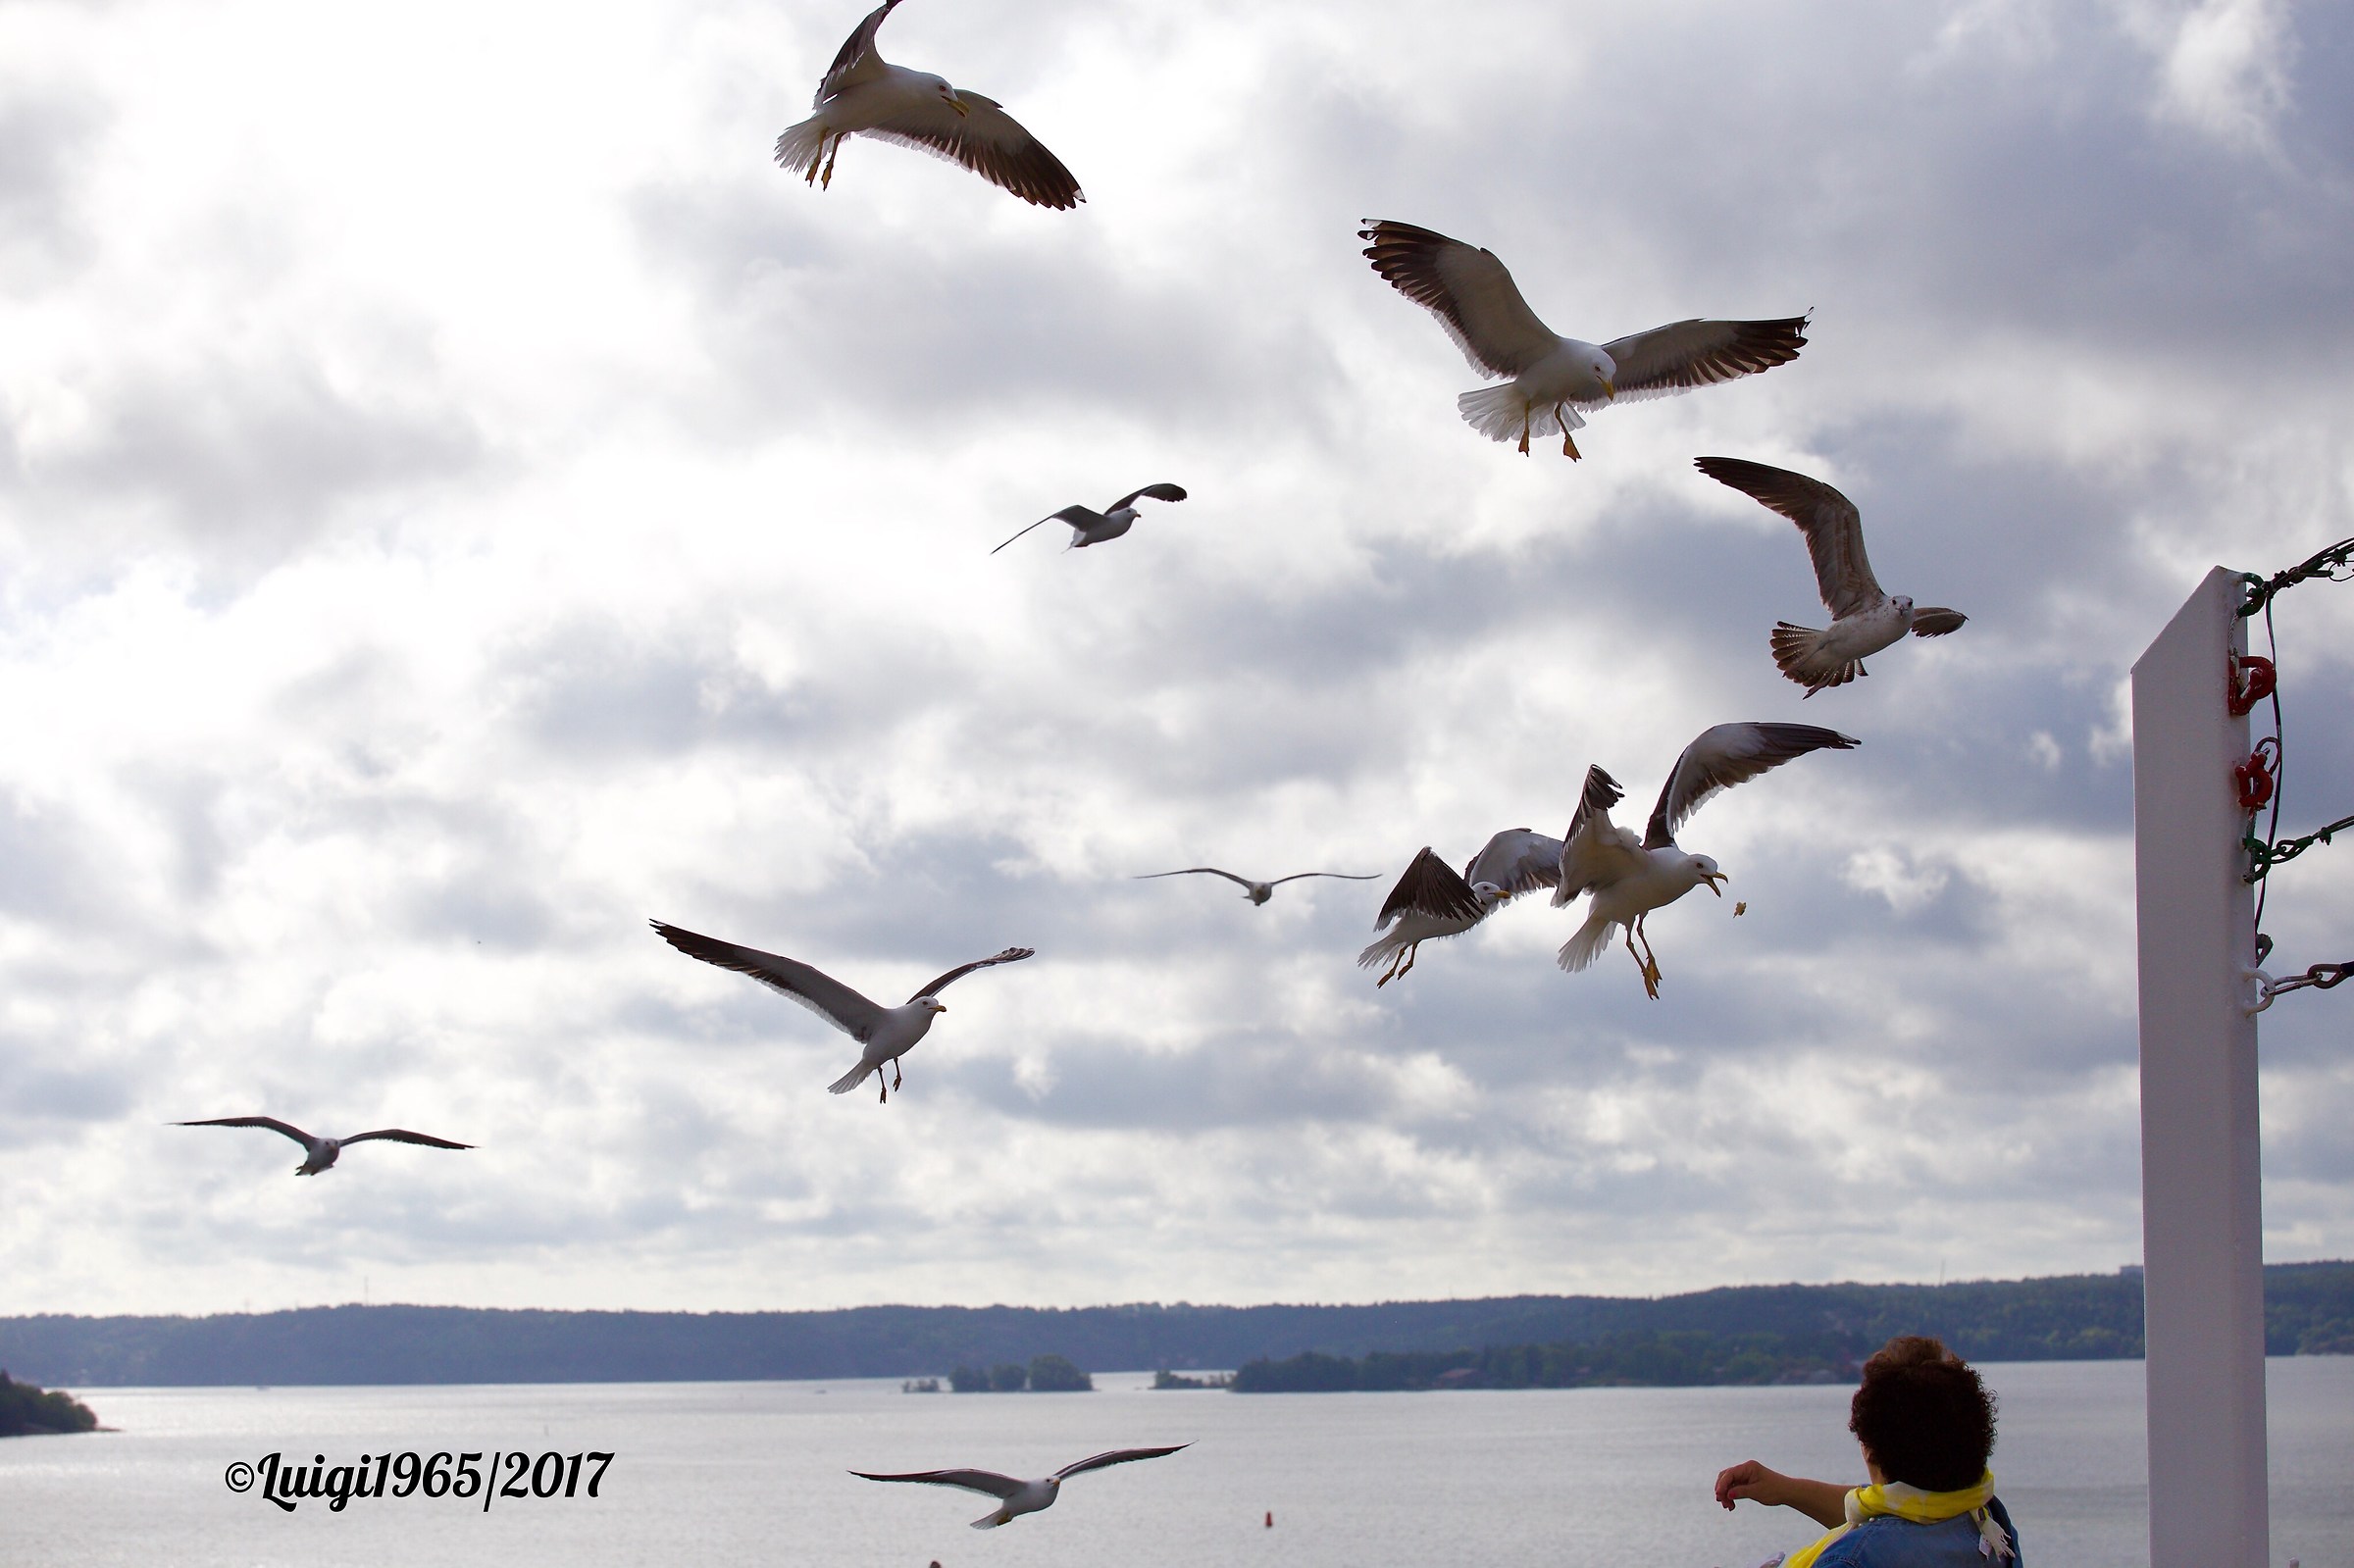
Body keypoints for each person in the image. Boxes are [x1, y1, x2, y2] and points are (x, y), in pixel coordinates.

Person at [1713, 1336, 2019, 1566]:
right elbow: (1893, 1519)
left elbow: (1886, 1534)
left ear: (1869, 1450)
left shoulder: (1852, 1561)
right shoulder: (1988, 1518)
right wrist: (1786, 1490)